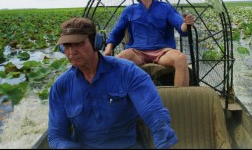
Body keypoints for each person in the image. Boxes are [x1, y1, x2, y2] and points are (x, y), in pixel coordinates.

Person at [48, 17, 178, 149]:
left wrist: (164, 143)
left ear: (95, 43)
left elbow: (153, 113)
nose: (71, 52)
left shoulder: (128, 72)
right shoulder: (61, 87)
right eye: (67, 45)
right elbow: (57, 136)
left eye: (78, 44)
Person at [104, 0, 195, 87]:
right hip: (137, 52)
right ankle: (119, 100)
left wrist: (187, 23)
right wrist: (108, 50)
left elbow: (181, 26)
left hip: (162, 52)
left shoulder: (165, 8)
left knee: (181, 58)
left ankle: (180, 101)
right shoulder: (129, 10)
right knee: (117, 61)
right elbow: (117, 32)